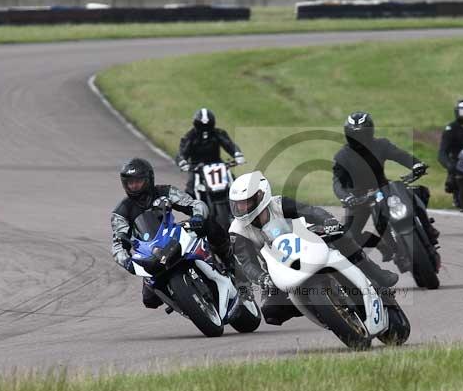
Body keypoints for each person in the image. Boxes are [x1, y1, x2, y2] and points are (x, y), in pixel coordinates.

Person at [228, 171, 399, 326]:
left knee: (342, 236)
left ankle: (376, 273)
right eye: (238, 205)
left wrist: (328, 221)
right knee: (271, 313)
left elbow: (312, 212)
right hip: (277, 269)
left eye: (246, 203)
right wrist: (262, 278)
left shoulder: (279, 204)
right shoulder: (237, 230)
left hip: (309, 244)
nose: (242, 209)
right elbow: (247, 263)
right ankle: (321, 310)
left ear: (261, 195)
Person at [111, 157, 235, 308]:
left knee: (208, 222)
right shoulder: (121, 212)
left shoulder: (165, 191)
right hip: (150, 253)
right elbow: (117, 244)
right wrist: (127, 262)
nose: (134, 186)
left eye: (138, 181)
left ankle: (228, 258)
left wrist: (197, 217)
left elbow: (194, 204)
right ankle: (184, 301)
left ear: (149, 179)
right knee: (150, 301)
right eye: (130, 183)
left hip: (173, 237)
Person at [332, 111, 439, 260]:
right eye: (354, 135)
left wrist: (416, 165)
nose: (359, 139)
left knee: (419, 192)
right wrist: (346, 197)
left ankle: (428, 228)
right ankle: (381, 243)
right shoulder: (342, 156)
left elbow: (401, 155)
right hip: (358, 198)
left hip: (384, 189)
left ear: (371, 132)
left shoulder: (381, 145)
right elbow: (337, 182)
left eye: (363, 134)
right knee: (349, 238)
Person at [175, 108, 246, 194]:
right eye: (201, 126)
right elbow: (182, 152)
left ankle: (240, 204)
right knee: (190, 190)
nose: (205, 129)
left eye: (208, 126)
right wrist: (182, 162)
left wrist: (237, 154)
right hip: (196, 168)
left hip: (217, 165)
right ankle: (194, 206)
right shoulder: (189, 137)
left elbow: (229, 144)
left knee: (235, 184)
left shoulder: (218, 133)